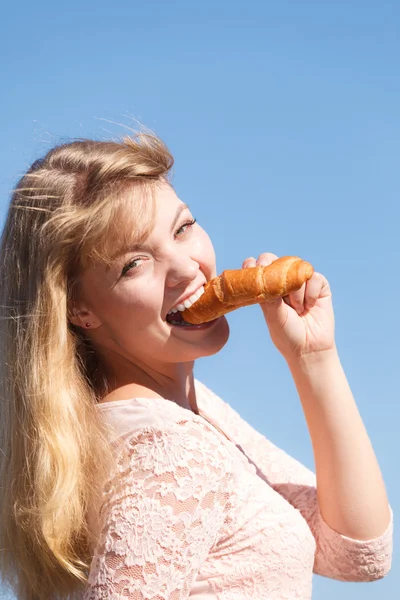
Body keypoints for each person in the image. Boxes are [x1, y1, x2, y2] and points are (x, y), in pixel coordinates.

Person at [0, 132, 393, 600]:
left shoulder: (192, 412)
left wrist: (313, 357)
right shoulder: (167, 449)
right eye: (135, 263)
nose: (188, 268)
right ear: (80, 309)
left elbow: (357, 553)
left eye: (183, 228)